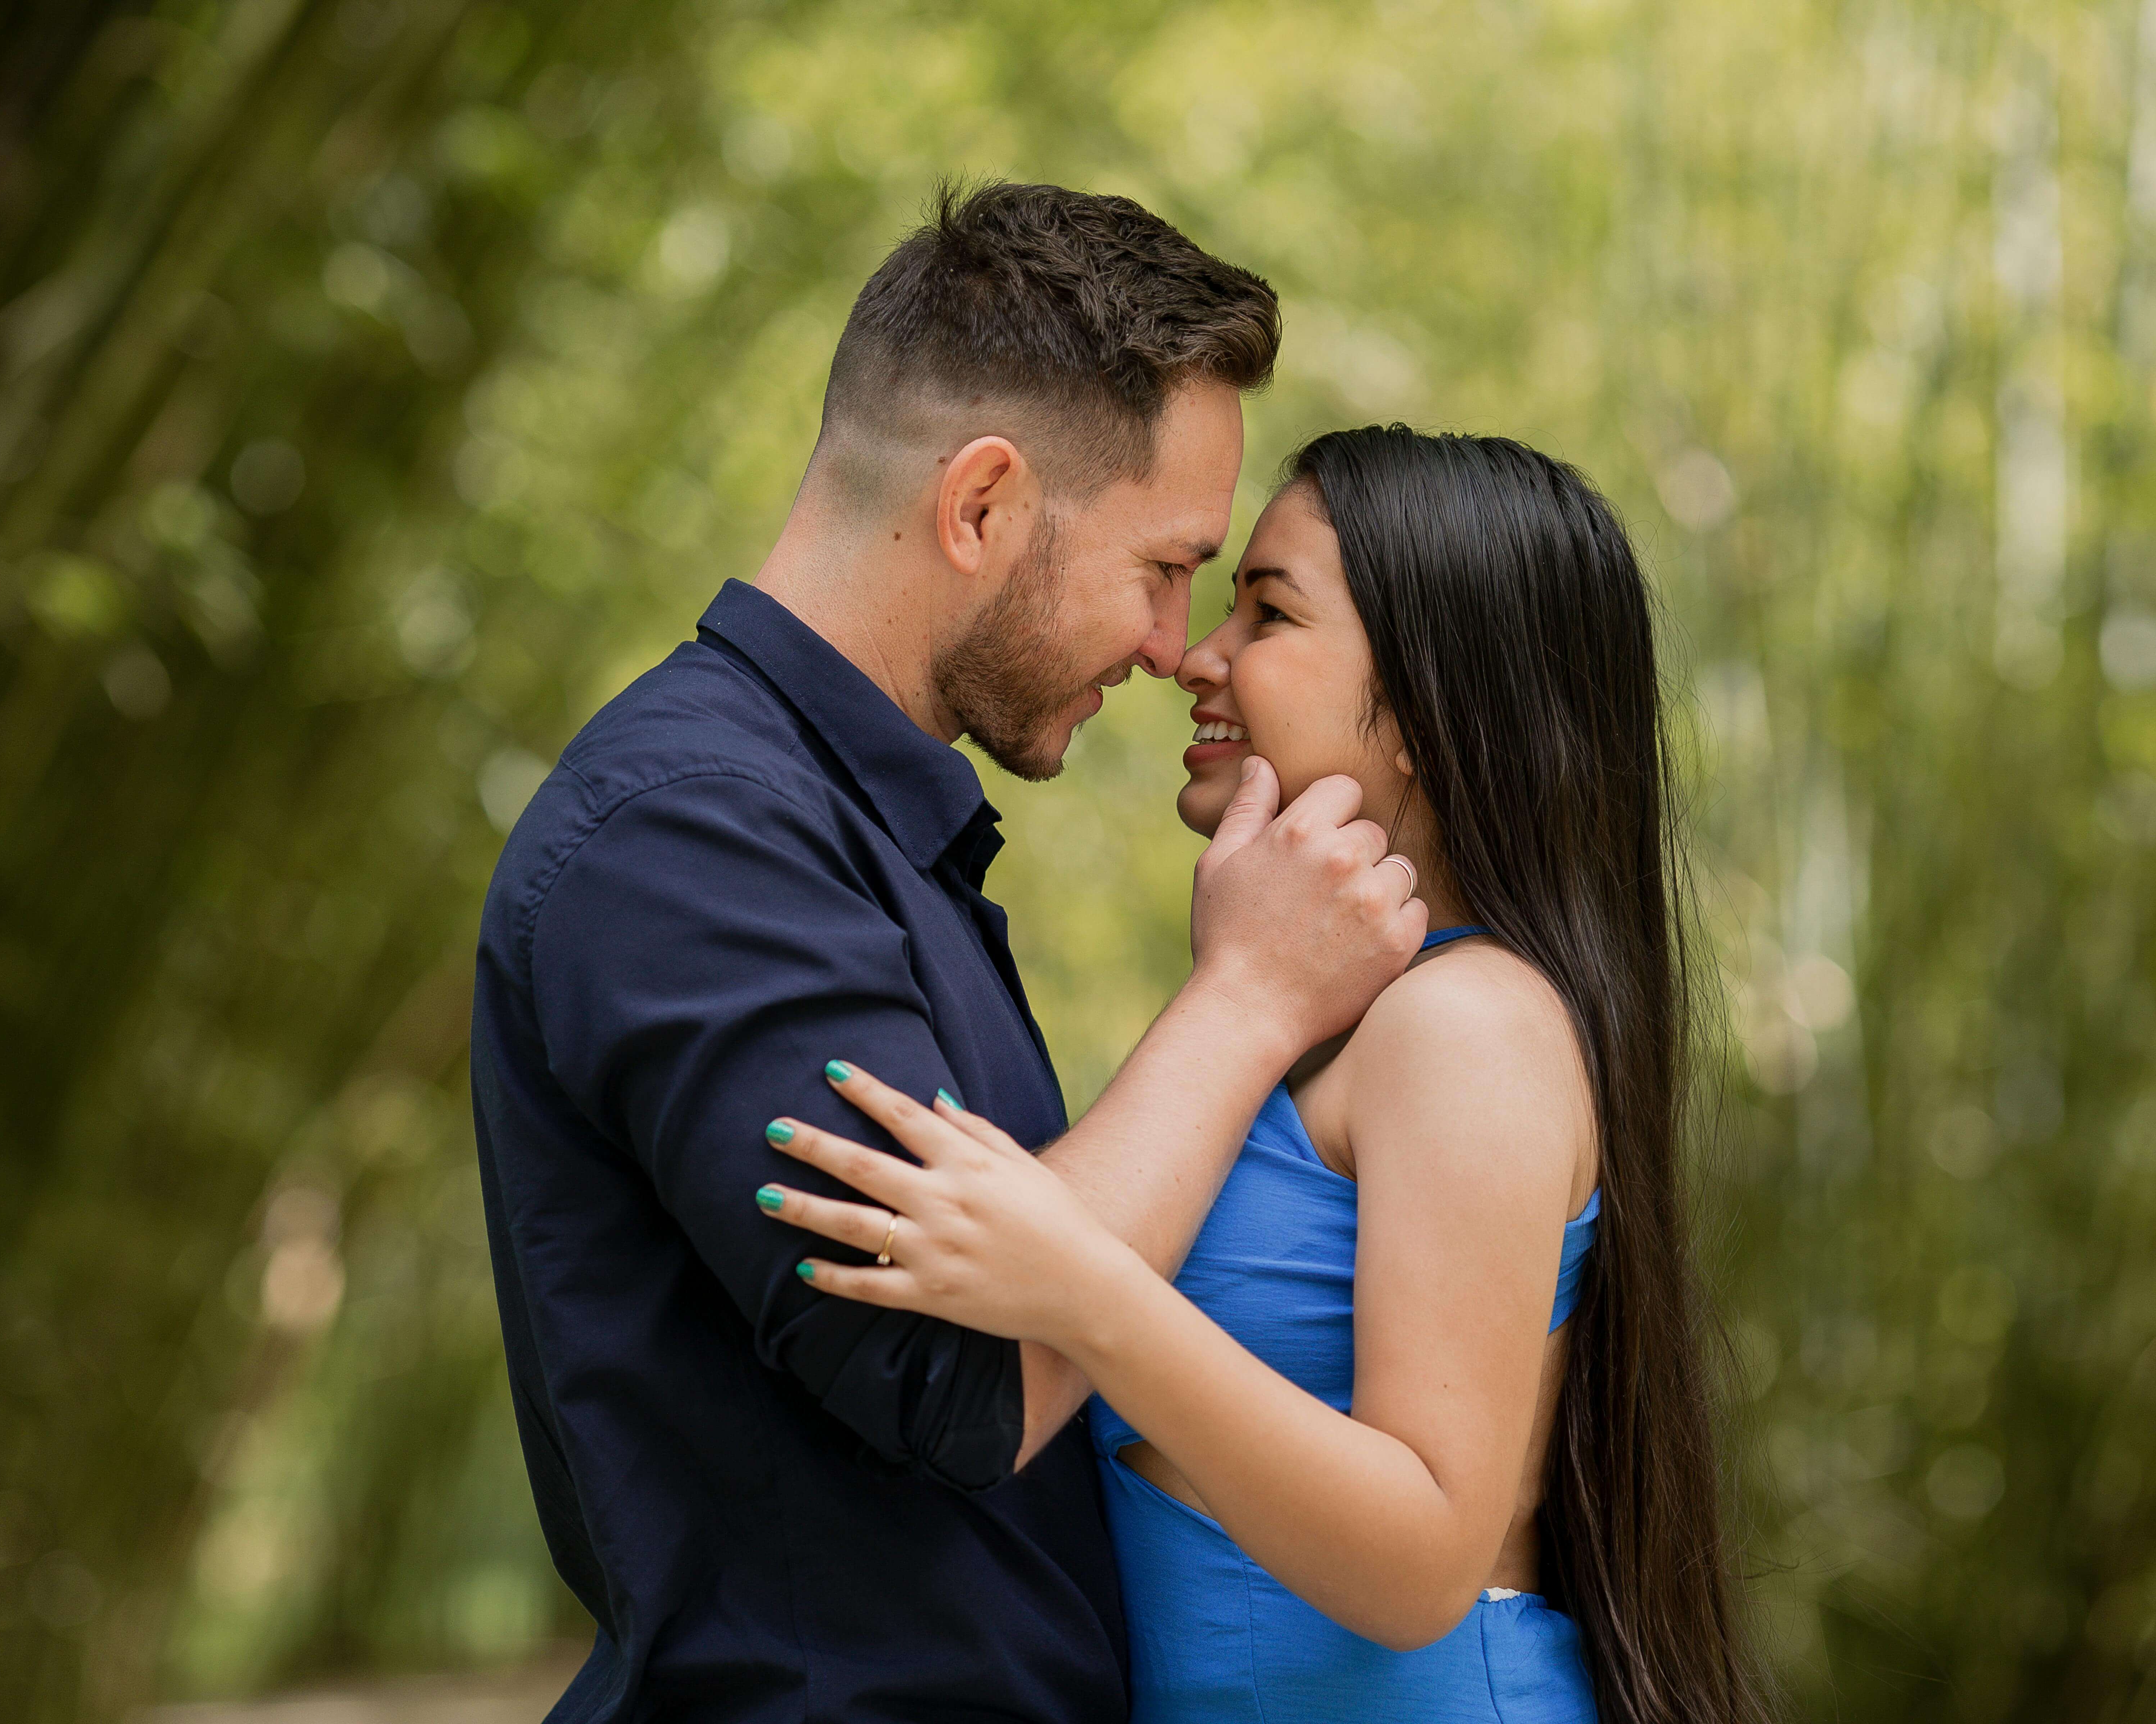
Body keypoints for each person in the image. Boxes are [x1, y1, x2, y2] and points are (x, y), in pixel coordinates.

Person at [471, 185, 1426, 1723]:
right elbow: (966, 1380)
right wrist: (1250, 997)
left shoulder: (849, 826)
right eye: (1166, 566)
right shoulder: (693, 835)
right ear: (981, 504)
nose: (1175, 645)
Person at [759, 426, 1773, 1723]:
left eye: (1270, 612)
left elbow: (1424, 1558)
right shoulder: (1343, 1022)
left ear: (1430, 710)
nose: (1197, 655)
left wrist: (1085, 1288)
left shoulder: (1467, 1025)